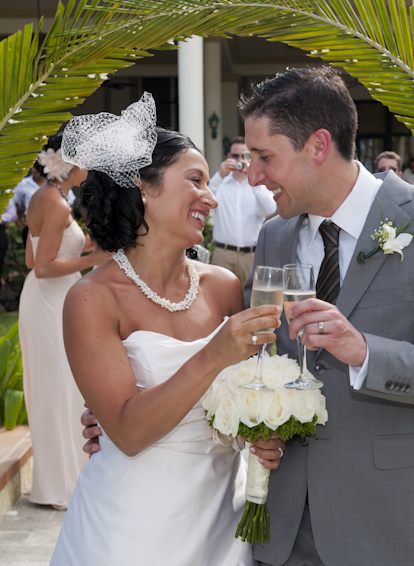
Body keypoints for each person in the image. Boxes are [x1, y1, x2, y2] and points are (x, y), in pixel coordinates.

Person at [80, 68, 414, 566]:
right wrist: (121, 409)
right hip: (284, 523)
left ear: (318, 145)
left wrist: (365, 352)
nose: (252, 175)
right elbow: (246, 357)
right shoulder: (275, 235)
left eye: (265, 157)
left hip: (394, 519)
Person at [50, 93, 284, 565]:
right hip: (128, 529)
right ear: (144, 186)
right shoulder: (92, 299)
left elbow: (241, 402)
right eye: (195, 180)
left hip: (220, 523)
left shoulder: (222, 287)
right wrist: (214, 354)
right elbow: (128, 433)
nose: (211, 197)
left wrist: (264, 433)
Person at [18, 132, 108, 510]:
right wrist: (93, 259)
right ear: (69, 163)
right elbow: (42, 267)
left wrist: (79, 247)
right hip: (50, 301)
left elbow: (31, 259)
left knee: (57, 390)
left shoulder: (44, 197)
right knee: (56, 390)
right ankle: (60, 487)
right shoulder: (55, 205)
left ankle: (60, 479)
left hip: (43, 299)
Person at [209, 136, 277, 284]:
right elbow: (205, 203)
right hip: (223, 255)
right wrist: (219, 175)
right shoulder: (220, 184)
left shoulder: (259, 185)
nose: (239, 160)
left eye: (244, 156)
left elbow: (269, 209)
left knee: (251, 297)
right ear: (228, 157)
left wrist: (253, 180)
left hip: (251, 256)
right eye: (235, 156)